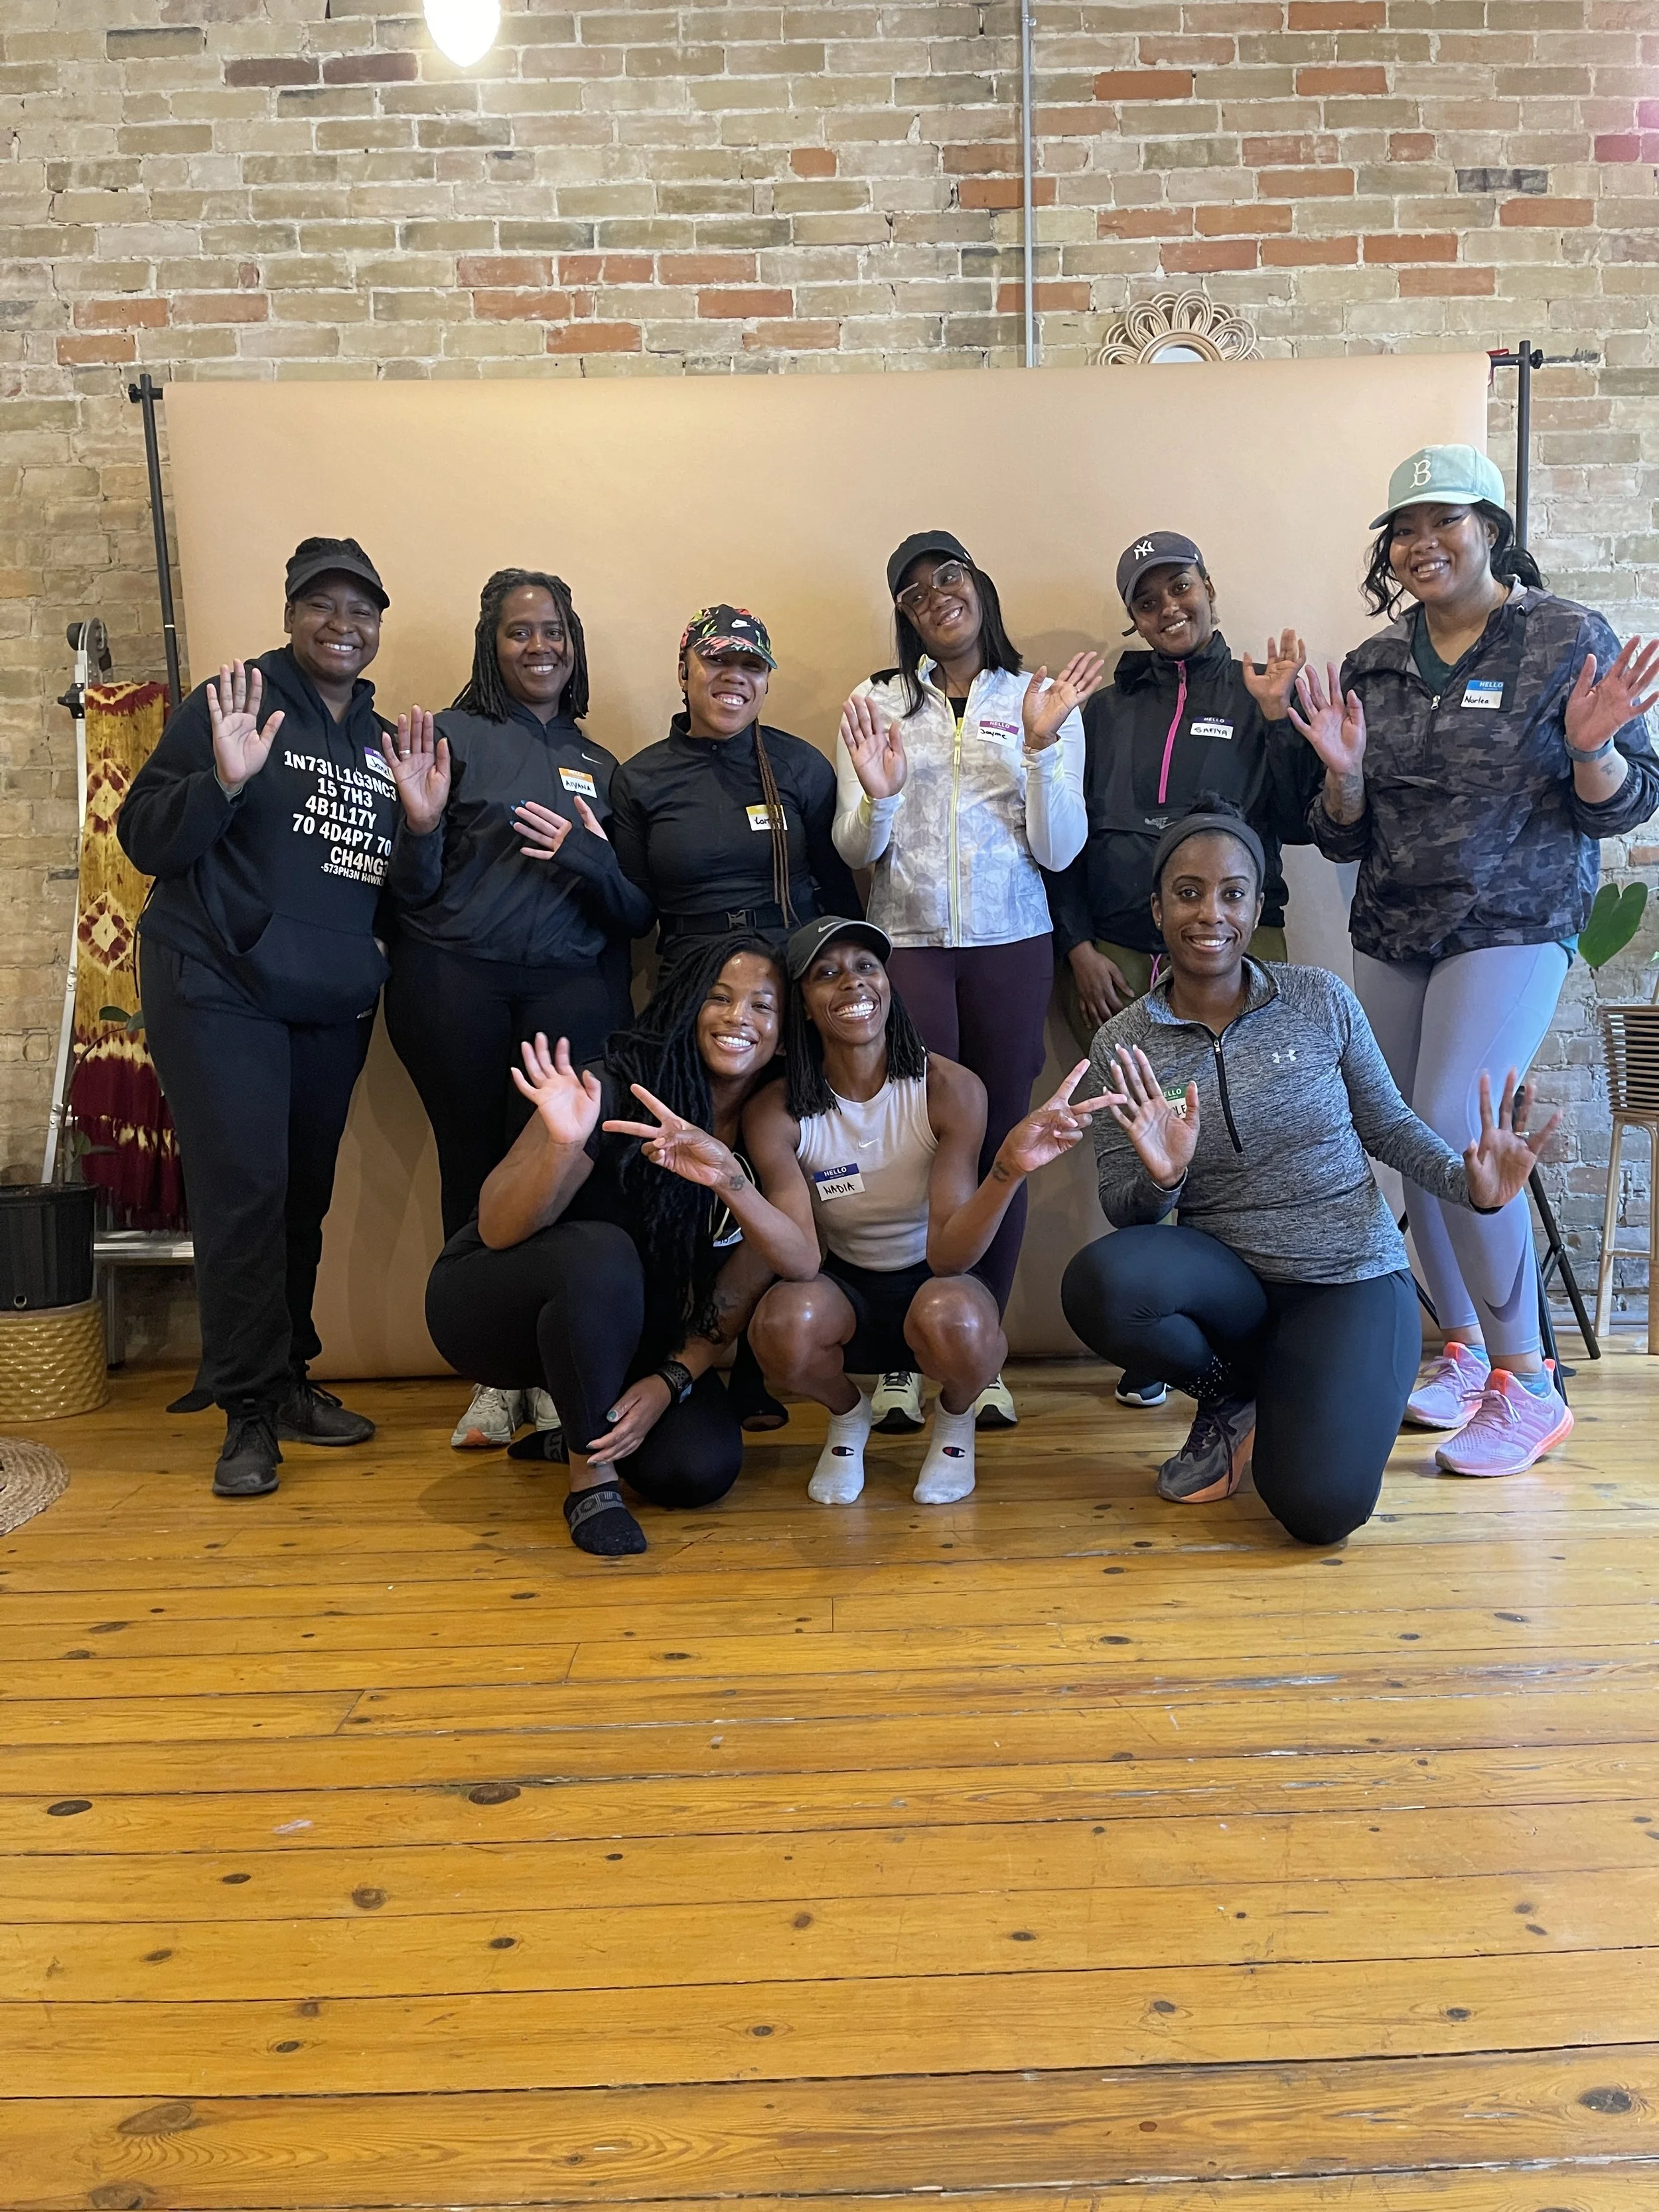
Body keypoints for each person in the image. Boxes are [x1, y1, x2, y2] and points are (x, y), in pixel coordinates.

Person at [1293, 444, 1659, 1475]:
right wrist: (1346, 778)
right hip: (1396, 924)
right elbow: (1344, 838)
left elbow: (1627, 802)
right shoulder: (1373, 663)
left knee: (1460, 1119)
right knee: (1403, 1137)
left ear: (1490, 527)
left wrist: (1594, 748)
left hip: (1517, 916)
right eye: (1403, 530)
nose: (1420, 545)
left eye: (1442, 522)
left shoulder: (1561, 636)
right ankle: (1459, 1349)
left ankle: (1527, 1379)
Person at [1060, 802, 1563, 1547]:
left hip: (1347, 1280)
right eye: (1189, 892)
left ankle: (1287, 1402)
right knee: (1101, 1283)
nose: (1211, 914)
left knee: (1319, 1509)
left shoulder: (1319, 1001)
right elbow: (1123, 1208)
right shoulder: (1123, 1044)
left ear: (1256, 907)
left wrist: (1472, 1188)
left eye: (1232, 893)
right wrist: (1163, 1178)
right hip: (1228, 1286)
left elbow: (1388, 1128)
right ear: (1158, 907)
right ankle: (1231, 1398)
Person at [119, 536, 451, 1499]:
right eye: (322, 605)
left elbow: (404, 894)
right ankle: (247, 1412)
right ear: (292, 612)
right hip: (217, 983)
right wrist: (219, 781)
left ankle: (289, 1378)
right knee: (246, 1196)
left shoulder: (384, 740)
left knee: (302, 1194)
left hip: (328, 996)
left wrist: (422, 830)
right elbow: (144, 838)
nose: (342, 624)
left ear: (379, 625)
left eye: (361, 610)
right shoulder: (236, 700)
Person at [1045, 528, 1324, 1411]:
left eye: (1181, 589)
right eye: (1148, 598)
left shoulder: (1249, 690)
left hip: (1239, 939)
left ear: (1209, 589)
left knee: (1250, 1131)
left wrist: (1281, 720)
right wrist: (1079, 944)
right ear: (1133, 614)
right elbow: (1063, 835)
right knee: (1142, 1142)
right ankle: (1162, 1324)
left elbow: (1302, 819)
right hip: (1120, 953)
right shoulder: (1108, 705)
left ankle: (1263, 1317)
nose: (1169, 609)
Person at [425, 936, 818, 1557]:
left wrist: (671, 1378)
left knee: (698, 1469)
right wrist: (562, 1145)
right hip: (492, 1307)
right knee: (603, 1254)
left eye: (762, 1006)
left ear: (783, 1030)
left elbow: (793, 1261)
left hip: (629, 1343)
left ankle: (580, 1427)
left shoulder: (769, 1122)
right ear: (686, 1004)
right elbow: (497, 1231)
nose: (739, 1016)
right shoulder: (612, 1087)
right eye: (719, 997)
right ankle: (591, 1478)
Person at [833, 530, 1102, 1435]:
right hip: (907, 943)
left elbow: (1061, 848)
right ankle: (909, 1351)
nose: (933, 596)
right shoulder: (875, 702)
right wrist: (875, 794)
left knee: (1003, 1150)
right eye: (911, 591)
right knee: (911, 1146)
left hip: (1010, 944)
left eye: (947, 577)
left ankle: (976, 1349)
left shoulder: (1041, 698)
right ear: (903, 615)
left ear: (979, 585)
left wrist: (1038, 745)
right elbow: (853, 849)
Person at [384, 567, 651, 1454]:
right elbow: (405, 893)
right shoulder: (444, 738)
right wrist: (419, 826)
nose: (540, 646)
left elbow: (633, 914)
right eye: (520, 632)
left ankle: (547, 1370)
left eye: (554, 632)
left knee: (554, 1167)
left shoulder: (602, 765)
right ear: (490, 646)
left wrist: (588, 857)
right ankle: (494, 1380)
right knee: (472, 1171)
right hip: (453, 984)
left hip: (570, 990)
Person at [744, 916, 1110, 1507]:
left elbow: (949, 1254)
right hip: (844, 1289)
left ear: (888, 985)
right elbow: (804, 1260)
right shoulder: (776, 1111)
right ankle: (846, 1416)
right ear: (804, 1006)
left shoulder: (950, 1087)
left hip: (933, 1281)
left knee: (959, 1324)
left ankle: (956, 1420)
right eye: (827, 974)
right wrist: (735, 1184)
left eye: (867, 967)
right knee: (781, 1329)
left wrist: (1007, 1169)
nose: (853, 984)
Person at [604, 605, 861, 976]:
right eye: (717, 659)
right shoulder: (639, 779)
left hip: (792, 967)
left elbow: (838, 891)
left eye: (752, 666)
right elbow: (638, 917)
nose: (735, 676)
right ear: (683, 673)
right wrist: (595, 864)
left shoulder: (800, 765)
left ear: (766, 683)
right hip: (690, 972)